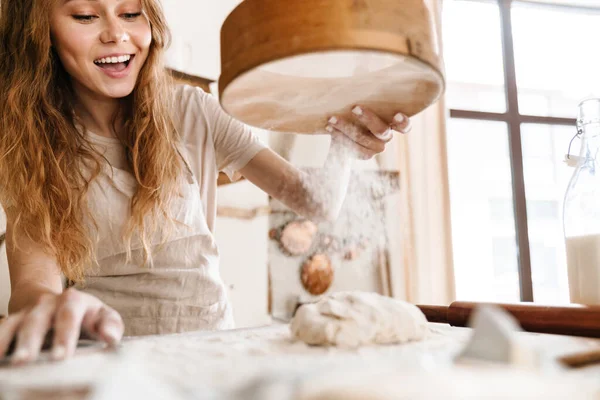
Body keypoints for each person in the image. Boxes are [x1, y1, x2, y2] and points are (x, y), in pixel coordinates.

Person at [0, 0, 412, 365]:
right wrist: (49, 309)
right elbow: (34, 281)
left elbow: (316, 202)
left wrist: (346, 142)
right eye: (86, 16)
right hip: (112, 362)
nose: (117, 34)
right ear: (42, 33)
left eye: (131, 13)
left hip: (212, 351)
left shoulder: (191, 110)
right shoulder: (26, 141)